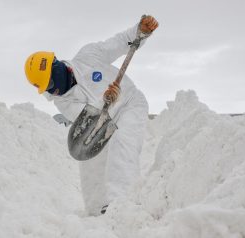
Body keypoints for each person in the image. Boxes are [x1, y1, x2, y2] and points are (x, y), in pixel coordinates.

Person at [24, 16, 159, 215]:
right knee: (91, 160)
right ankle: (97, 211)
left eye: (50, 85)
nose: (51, 92)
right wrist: (105, 98)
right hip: (103, 123)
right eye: (46, 89)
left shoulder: (88, 56)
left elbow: (120, 42)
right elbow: (90, 117)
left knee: (122, 146)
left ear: (57, 69)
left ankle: (122, 204)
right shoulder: (63, 102)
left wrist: (141, 31)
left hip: (130, 104)